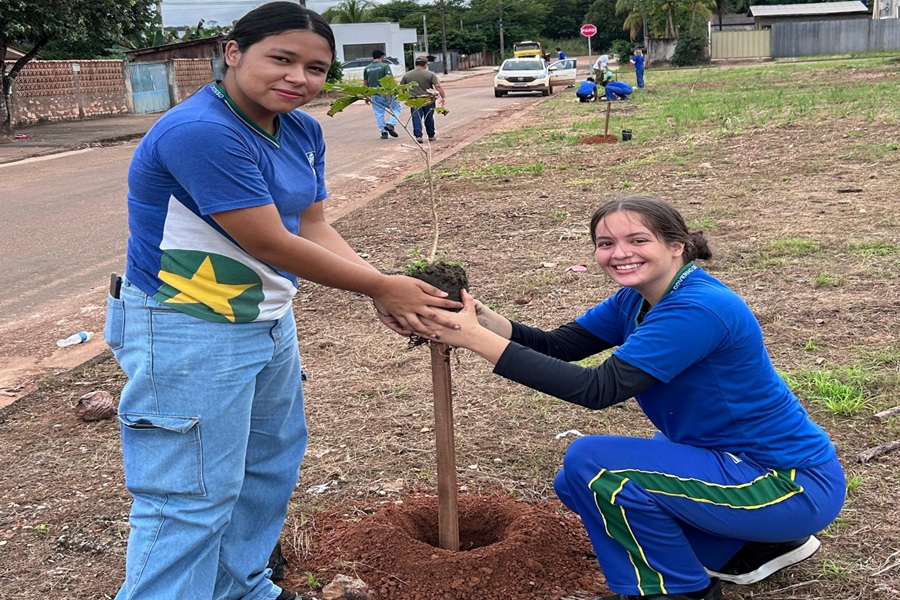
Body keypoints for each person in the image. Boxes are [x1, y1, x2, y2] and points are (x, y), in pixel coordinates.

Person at [105, 3, 461, 599]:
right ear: (233, 52)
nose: (299, 78)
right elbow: (268, 240)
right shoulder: (201, 132)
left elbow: (311, 225)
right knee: (188, 494)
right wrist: (378, 285)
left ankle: (238, 588)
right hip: (186, 325)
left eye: (316, 68)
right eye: (283, 59)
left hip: (267, 319)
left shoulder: (300, 129)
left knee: (265, 470)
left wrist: (376, 285)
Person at [425, 196, 846, 600]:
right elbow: (560, 346)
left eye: (637, 240)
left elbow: (597, 390)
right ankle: (746, 549)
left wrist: (473, 339)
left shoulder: (698, 309)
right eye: (605, 244)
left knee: (595, 465)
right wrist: (479, 317)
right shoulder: (639, 297)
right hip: (732, 463)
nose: (620, 253)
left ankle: (679, 590)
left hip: (785, 484)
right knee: (576, 483)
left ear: (677, 245)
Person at [399, 56, 446, 144]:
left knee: (416, 117)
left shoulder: (407, 75)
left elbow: (402, 87)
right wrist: (443, 97)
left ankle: (418, 136)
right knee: (429, 117)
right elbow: (438, 86)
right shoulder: (430, 74)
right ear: (425, 65)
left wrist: (406, 96)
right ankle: (431, 135)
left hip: (414, 100)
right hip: (428, 99)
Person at [363, 49, 402, 139]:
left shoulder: (367, 68)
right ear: (382, 57)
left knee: (379, 113)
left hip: (374, 94)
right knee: (397, 108)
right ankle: (391, 124)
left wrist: (366, 96)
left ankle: (383, 133)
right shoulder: (385, 66)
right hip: (386, 93)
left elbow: (365, 84)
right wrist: (395, 91)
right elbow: (390, 79)